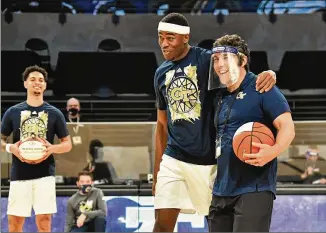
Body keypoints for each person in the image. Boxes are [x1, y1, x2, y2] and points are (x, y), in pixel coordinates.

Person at [153, 12, 277, 232]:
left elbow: (236, 70)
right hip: (174, 158)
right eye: (161, 37)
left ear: (185, 37)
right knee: (162, 224)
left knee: (216, 221)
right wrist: (156, 171)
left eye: (170, 38)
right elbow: (162, 123)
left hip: (208, 160)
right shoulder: (160, 73)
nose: (164, 44)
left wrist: (269, 74)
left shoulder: (205, 59)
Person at [207, 34, 295, 232]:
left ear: (243, 60)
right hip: (221, 189)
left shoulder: (263, 88)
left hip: (254, 188)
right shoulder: (219, 96)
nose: (220, 64)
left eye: (226, 58)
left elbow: (287, 127)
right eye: (216, 59)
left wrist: (273, 151)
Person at [1, 65, 72, 232]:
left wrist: (52, 148)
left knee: (44, 222)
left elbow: (67, 144)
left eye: (41, 80)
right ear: (25, 83)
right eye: (32, 80)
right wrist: (12, 148)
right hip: (19, 174)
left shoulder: (54, 113)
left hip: (45, 174)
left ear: (45, 85)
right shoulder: (13, 112)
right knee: (15, 223)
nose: (37, 83)